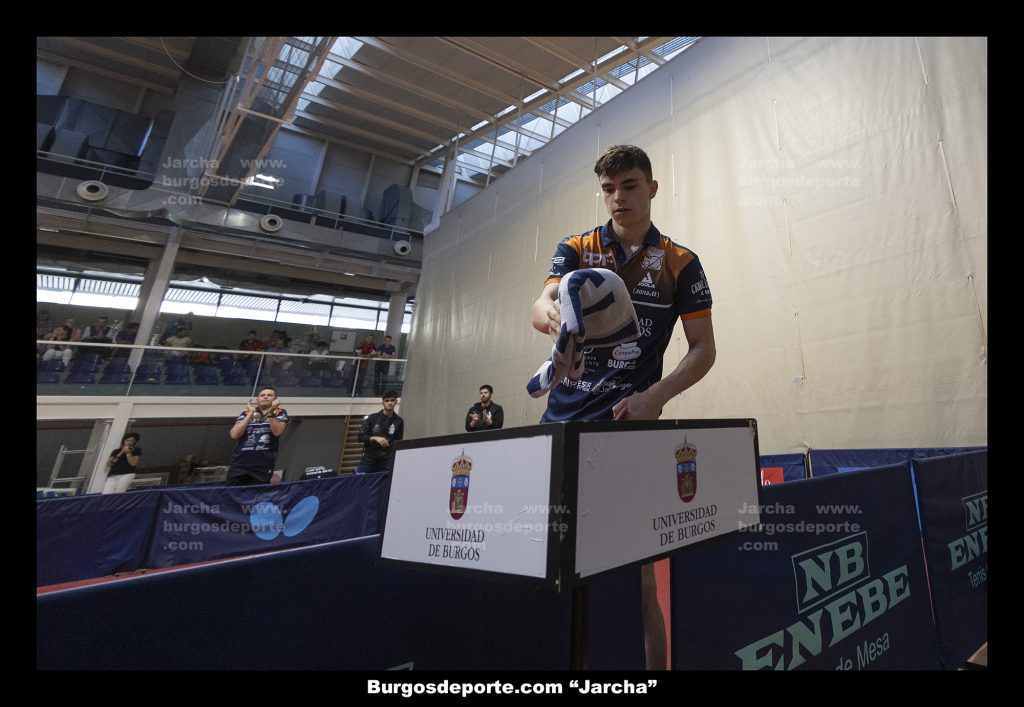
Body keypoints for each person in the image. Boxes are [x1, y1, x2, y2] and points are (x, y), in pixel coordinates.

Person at [531, 145, 716, 670]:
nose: (618, 198)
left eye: (629, 186)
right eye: (609, 189)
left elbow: (703, 349)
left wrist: (656, 396)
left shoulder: (681, 262)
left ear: (651, 188)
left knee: (638, 581)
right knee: (550, 568)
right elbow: (540, 305)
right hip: (560, 427)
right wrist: (551, 315)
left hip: (628, 432)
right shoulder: (576, 247)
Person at [227, 386, 289, 485]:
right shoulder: (246, 413)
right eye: (262, 395)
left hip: (263, 464)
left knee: (258, 492)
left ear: (275, 400)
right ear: (257, 399)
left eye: (269, 395)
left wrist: (271, 412)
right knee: (233, 492)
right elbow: (234, 435)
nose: (265, 397)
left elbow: (277, 432)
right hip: (239, 463)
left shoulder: (280, 412)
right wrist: (250, 414)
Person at [354, 391, 403, 474]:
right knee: (361, 479)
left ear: (396, 401)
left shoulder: (399, 421)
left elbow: (398, 442)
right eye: (387, 401)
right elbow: (360, 437)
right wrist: (375, 438)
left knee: (387, 481)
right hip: (369, 457)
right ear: (382, 403)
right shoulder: (372, 418)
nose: (389, 403)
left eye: (392, 400)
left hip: (387, 459)